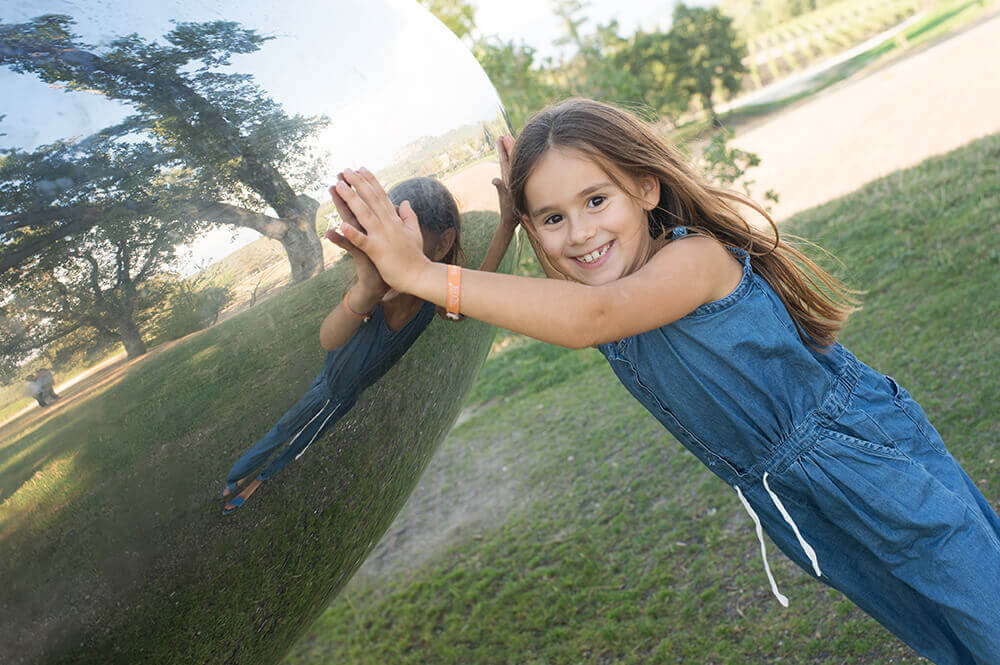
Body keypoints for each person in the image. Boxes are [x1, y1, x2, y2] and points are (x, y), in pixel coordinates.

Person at [332, 99, 1000, 665]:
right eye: (554, 216)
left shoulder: (690, 261)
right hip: (791, 491)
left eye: (596, 199)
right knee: (948, 635)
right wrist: (508, 221)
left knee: (987, 615)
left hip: (859, 459)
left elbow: (591, 317)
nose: (581, 231)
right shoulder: (607, 280)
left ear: (646, 188)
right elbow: (495, 300)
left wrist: (421, 272)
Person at [221, 175, 517, 515]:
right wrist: (366, 292)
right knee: (285, 428)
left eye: (405, 237)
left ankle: (257, 481)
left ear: (442, 243)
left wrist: (507, 224)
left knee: (301, 438)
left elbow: (464, 307)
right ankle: (239, 475)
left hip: (343, 394)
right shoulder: (379, 291)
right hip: (329, 385)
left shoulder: (431, 296)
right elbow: (329, 338)